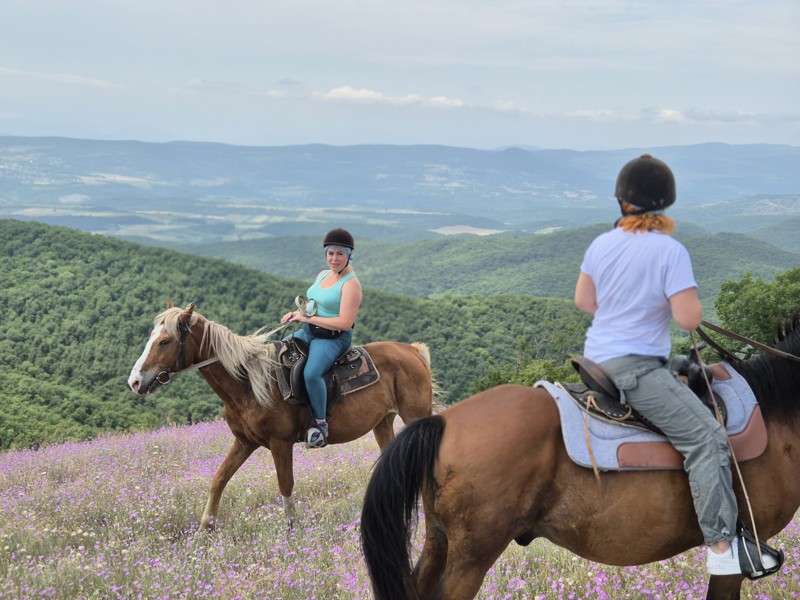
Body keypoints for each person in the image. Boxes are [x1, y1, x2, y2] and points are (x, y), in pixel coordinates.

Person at [573, 154, 778, 576]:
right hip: (637, 369)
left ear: (621, 201)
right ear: (664, 202)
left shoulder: (602, 244)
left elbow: (585, 302)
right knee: (706, 439)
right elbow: (688, 318)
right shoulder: (667, 250)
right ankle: (723, 549)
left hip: (603, 358)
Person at [281, 228, 363, 448]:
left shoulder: (351, 284)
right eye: (330, 253)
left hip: (333, 339)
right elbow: (313, 304)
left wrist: (309, 320)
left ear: (348, 255)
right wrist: (297, 315)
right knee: (277, 351)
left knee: (311, 373)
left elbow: (345, 322)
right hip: (309, 332)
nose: (334, 259)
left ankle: (320, 426)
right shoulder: (323, 275)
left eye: (339, 254)